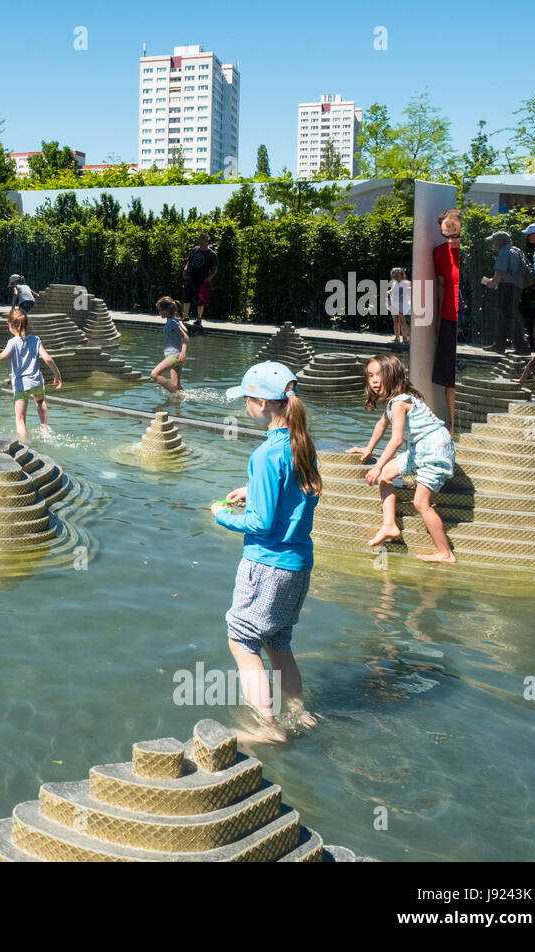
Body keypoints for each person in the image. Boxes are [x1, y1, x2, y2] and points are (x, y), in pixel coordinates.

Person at [212, 361, 320, 738]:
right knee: (279, 642)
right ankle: (299, 711)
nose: (245, 408)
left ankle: (266, 726)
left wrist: (221, 515)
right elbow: (294, 494)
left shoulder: (263, 456)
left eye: (246, 401)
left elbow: (260, 524)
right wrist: (251, 490)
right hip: (298, 564)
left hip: (267, 564)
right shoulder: (302, 444)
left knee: (242, 640)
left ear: (261, 404)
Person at [348, 354, 456, 564]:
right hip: (421, 449)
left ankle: (446, 553)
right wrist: (368, 448)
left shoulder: (400, 402)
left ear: (393, 375)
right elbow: (382, 425)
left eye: (379, 374)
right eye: (370, 376)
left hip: (434, 450)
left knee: (420, 502)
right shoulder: (396, 400)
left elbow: (397, 439)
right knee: (386, 476)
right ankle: (389, 524)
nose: (374, 380)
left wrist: (377, 466)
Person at [0, 308, 63, 440]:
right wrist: (57, 374)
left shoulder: (12, 342)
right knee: (40, 402)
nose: (8, 326)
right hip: (37, 382)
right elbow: (48, 359)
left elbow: (1, 357)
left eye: (8, 324)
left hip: (21, 386)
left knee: (20, 420)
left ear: (13, 325)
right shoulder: (35, 340)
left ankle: (24, 445)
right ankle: (45, 427)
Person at [430, 208, 461, 432]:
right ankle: (452, 426)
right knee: (449, 375)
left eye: (454, 235)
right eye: (445, 235)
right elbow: (440, 285)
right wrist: (440, 317)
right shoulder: (439, 252)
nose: (449, 240)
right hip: (450, 318)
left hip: (470, 321)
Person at [479, 231, 531, 354]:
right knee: (509, 316)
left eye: (494, 241)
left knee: (504, 316)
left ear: (500, 241)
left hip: (507, 286)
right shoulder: (516, 250)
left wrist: (492, 282)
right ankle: (507, 345)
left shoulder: (504, 252)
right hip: (516, 287)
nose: (493, 244)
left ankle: (517, 346)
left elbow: (501, 273)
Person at [180, 232, 219, 331]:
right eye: (199, 240)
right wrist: (185, 269)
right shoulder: (195, 250)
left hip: (202, 279)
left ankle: (199, 318)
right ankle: (185, 316)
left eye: (203, 240)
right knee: (186, 296)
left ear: (207, 241)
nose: (200, 242)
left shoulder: (212, 254)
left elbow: (215, 268)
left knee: (200, 299)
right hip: (190, 277)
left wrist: (210, 277)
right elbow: (189, 261)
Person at [150, 296, 188, 393]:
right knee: (176, 386)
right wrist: (181, 322)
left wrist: (183, 353)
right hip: (177, 357)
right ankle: (179, 404)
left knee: (155, 374)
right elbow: (186, 331)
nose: (159, 313)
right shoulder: (175, 321)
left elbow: (185, 337)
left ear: (166, 311)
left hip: (174, 356)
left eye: (159, 310)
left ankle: (175, 395)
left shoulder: (171, 322)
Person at [386, 267, 411, 346]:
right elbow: (394, 290)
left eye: (396, 275)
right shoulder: (394, 283)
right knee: (395, 321)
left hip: (402, 305)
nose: (394, 276)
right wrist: (390, 291)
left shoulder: (406, 282)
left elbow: (413, 287)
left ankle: (405, 338)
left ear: (401, 275)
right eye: (393, 275)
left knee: (402, 321)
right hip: (394, 304)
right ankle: (397, 337)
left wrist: (407, 289)